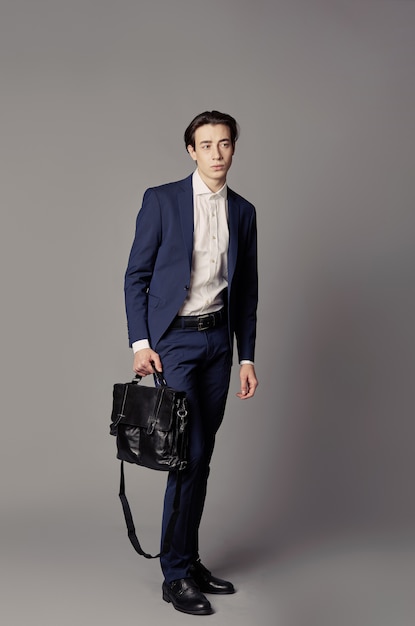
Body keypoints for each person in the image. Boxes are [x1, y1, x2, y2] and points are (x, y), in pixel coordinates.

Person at [124, 110, 258, 615]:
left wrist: (246, 356)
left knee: (202, 458)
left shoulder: (242, 211)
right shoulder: (161, 201)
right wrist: (141, 343)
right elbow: (135, 275)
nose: (217, 154)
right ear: (191, 151)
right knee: (187, 455)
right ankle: (175, 575)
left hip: (218, 345)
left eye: (225, 144)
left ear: (233, 148)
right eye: (207, 145)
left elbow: (246, 292)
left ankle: (190, 557)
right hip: (174, 343)